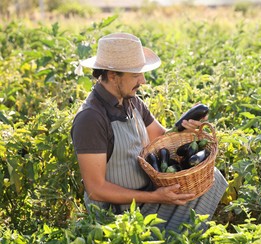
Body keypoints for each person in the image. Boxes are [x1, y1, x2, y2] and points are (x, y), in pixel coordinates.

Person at [71, 32, 228, 233]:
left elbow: (161, 140)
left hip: (147, 197)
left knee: (212, 179)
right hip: (121, 214)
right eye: (136, 75)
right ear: (112, 75)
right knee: (186, 216)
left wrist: (182, 130)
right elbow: (96, 189)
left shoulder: (132, 102)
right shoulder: (91, 119)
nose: (143, 81)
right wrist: (156, 197)